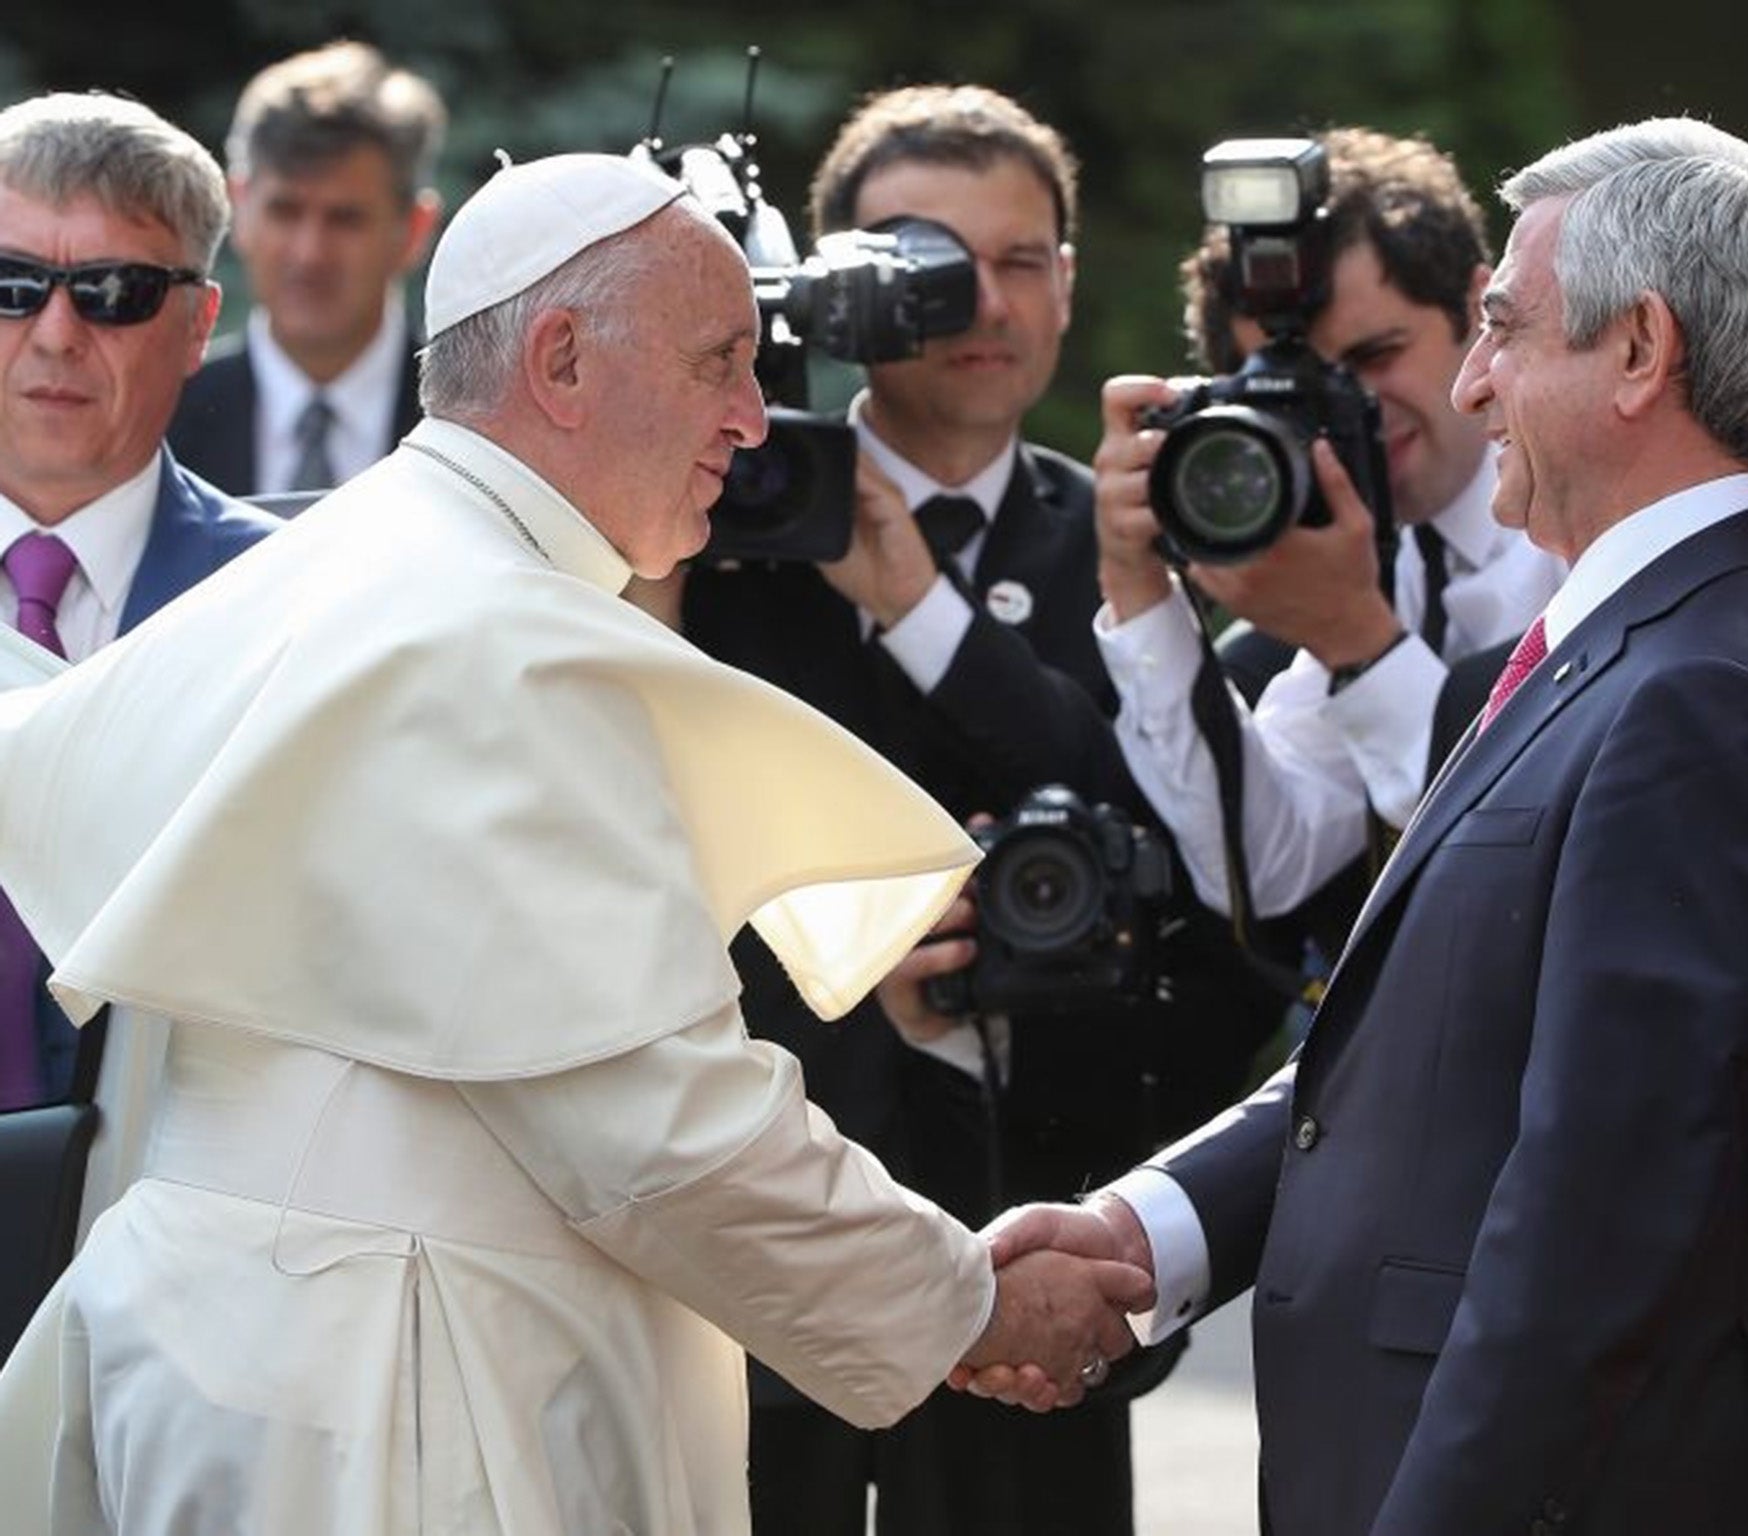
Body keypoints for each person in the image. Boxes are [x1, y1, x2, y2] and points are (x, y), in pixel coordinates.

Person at [0, 149, 1150, 1536]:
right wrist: (964, 1301)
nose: (752, 416)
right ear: (559, 360)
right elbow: (659, 1126)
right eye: (720, 359)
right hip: (384, 1395)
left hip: (280, 1352)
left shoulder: (377, 558)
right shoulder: (489, 631)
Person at [972, 117, 1748, 1536]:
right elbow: (1416, 1057)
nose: (1469, 388)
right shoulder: (1636, 647)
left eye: (1506, 333)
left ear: (1642, 353)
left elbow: (1596, 1217)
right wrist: (1144, 1234)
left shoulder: (1709, 689)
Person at [679, 84, 1277, 1536]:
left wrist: (922, 609)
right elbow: (639, 846)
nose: (982, 301)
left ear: (1069, 285)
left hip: (1037, 1255)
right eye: (927, 260)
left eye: (1023, 260)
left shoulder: (1130, 539)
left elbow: (1192, 867)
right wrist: (838, 972)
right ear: (840, 293)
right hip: (752, 1281)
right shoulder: (718, 534)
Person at [1092, 128, 1564, 933]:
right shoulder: (1362, 560)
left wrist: (1356, 640)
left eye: (1376, 355)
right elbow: (1261, 867)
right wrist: (1140, 590)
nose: (1351, 408)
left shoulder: (1581, 521)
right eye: (1295, 388)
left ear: (1485, 314)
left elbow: (1538, 834)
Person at [0, 90, 278, 1349]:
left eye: (111, 292)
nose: (54, 333)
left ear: (199, 321)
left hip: (188, 1286)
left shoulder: (301, 605)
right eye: (10, 284)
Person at [167, 40, 444, 498]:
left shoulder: (474, 428)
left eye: (345, 218)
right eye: (285, 211)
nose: (310, 253)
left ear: (414, 230)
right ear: (239, 206)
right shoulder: (157, 420)